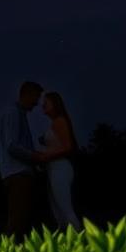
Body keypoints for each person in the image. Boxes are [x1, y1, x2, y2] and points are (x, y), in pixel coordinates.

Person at [33, 91, 83, 230]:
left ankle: (80, 238)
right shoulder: (55, 123)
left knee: (65, 208)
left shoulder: (60, 121)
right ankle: (68, 243)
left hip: (60, 168)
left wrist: (44, 157)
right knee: (58, 211)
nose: (42, 104)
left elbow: (68, 147)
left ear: (55, 104)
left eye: (46, 102)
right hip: (53, 169)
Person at [0, 80, 43, 239]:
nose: (37, 103)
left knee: (22, 221)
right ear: (27, 94)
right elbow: (12, 145)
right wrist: (35, 156)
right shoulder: (13, 113)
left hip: (20, 174)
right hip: (18, 175)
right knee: (18, 221)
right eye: (36, 98)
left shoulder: (18, 114)